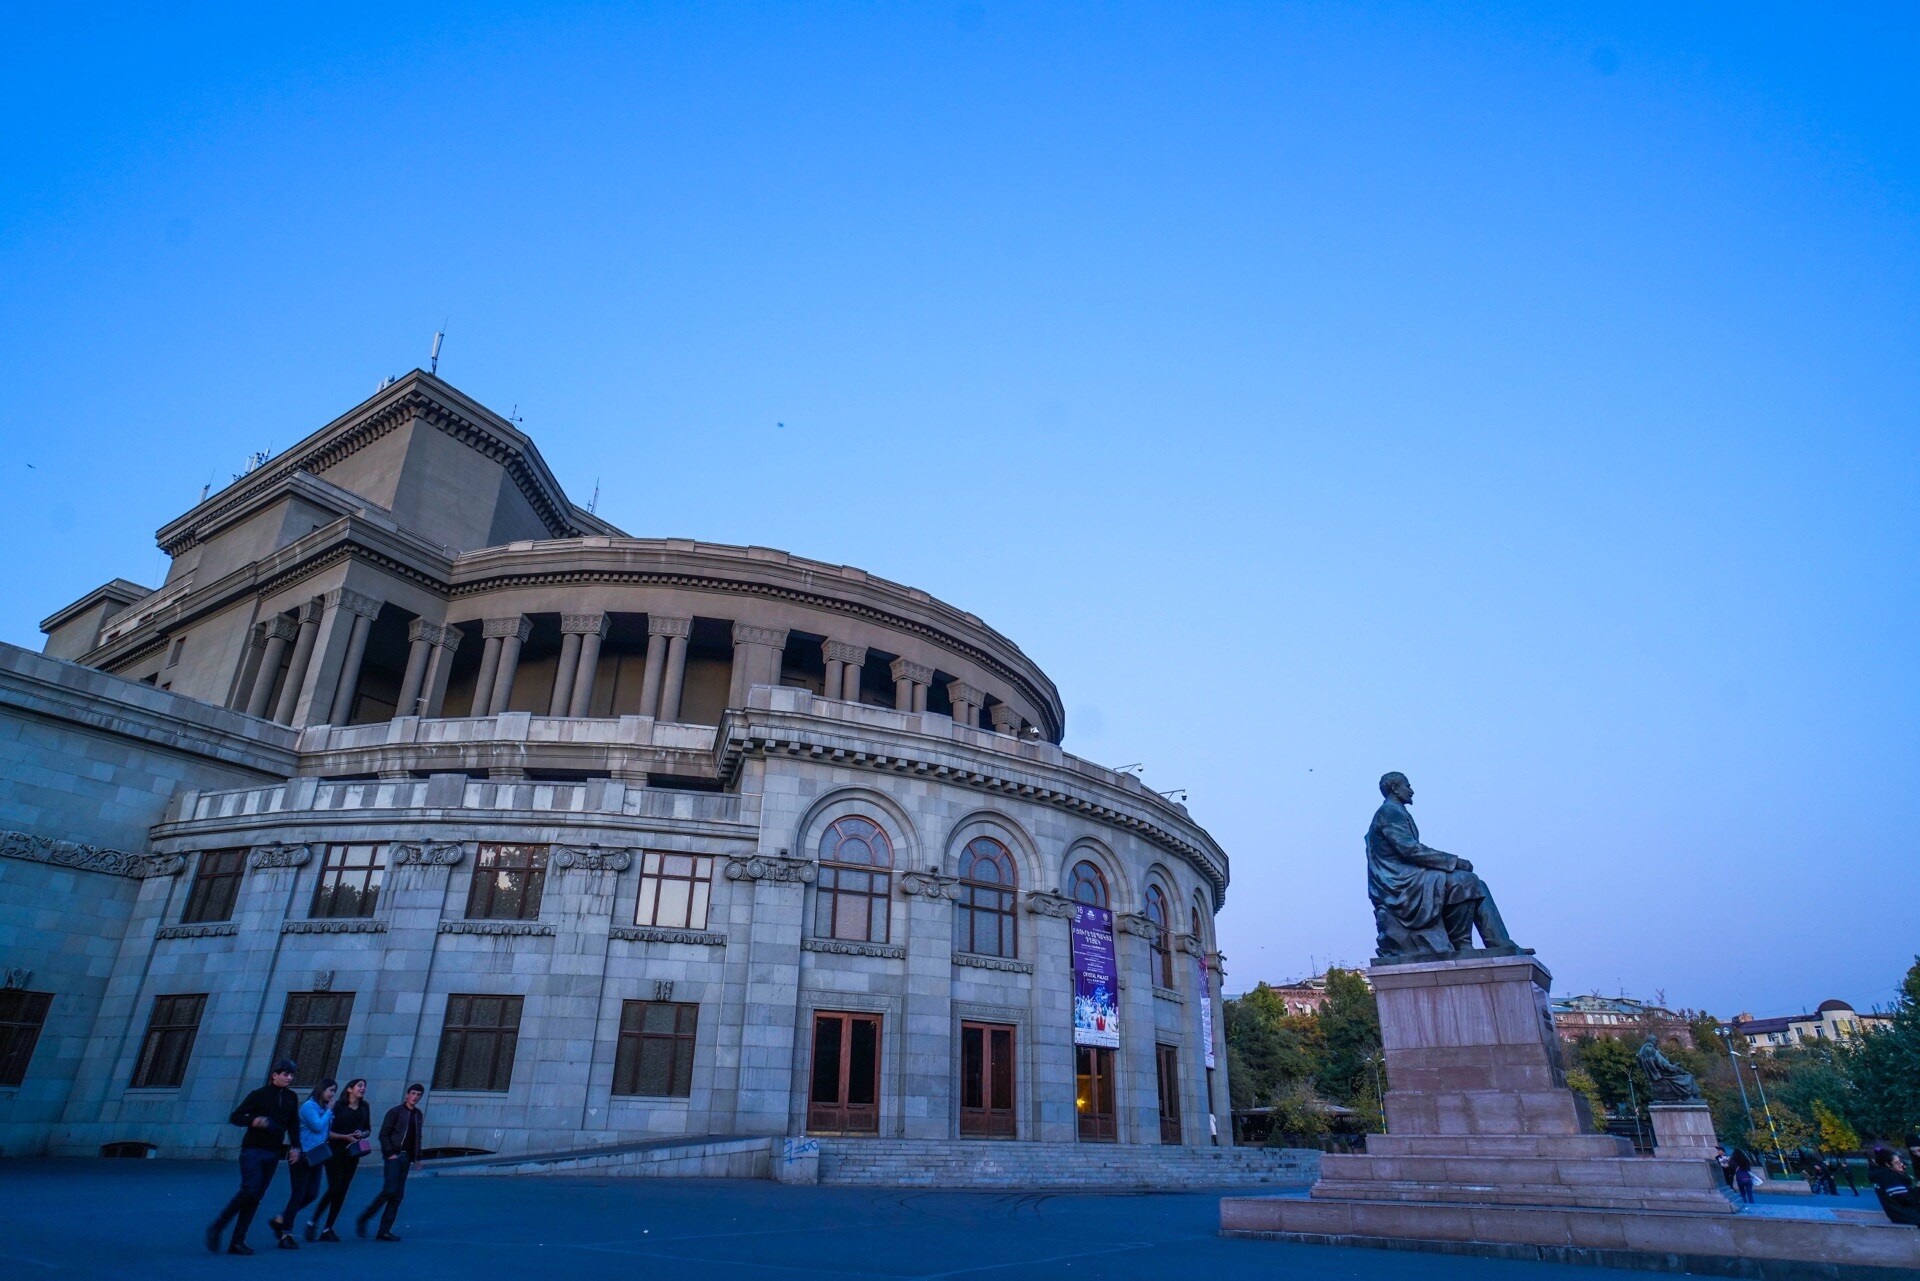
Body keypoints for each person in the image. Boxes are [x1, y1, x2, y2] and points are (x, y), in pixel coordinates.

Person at [1365, 772, 1519, 959]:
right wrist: (1453, 862)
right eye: (1408, 786)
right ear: (1395, 788)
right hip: (1398, 883)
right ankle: (1462, 943)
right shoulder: (1389, 812)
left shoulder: (1396, 811)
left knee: (1477, 884)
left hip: (1408, 875)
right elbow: (1410, 850)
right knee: (1465, 881)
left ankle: (1499, 943)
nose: (1411, 791)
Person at [205, 1058, 300, 1255]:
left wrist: (296, 1146)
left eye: (291, 1075)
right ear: (275, 1075)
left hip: (273, 1153)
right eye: (285, 1074)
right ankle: (218, 1226)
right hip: (253, 1150)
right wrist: (253, 1121)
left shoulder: (291, 1098)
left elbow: (293, 1124)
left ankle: (237, 1241)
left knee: (255, 1197)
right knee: (250, 1189)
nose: (289, 1078)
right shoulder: (259, 1095)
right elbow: (236, 1116)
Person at [268, 1079, 335, 1249]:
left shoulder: (322, 1108)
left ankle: (280, 1219)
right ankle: (286, 1234)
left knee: (312, 1193)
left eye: (334, 1091)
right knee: (298, 1194)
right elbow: (317, 1126)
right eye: (330, 1090)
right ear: (321, 1090)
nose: (332, 1094)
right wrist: (329, 1112)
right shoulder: (309, 1107)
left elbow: (325, 1131)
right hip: (301, 1155)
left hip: (316, 1156)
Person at [357, 1082, 426, 1242]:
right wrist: (389, 1153)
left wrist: (418, 1157)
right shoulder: (395, 1112)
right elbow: (384, 1134)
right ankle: (365, 1217)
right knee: (390, 1189)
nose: (415, 1097)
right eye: (413, 1093)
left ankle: (385, 1230)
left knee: (397, 1195)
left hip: (406, 1157)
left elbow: (417, 1136)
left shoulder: (418, 1115)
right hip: (394, 1156)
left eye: (418, 1095)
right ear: (407, 1094)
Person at [307, 1077, 373, 1241]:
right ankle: (312, 1221)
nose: (363, 1088)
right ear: (350, 1089)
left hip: (352, 1154)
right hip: (334, 1152)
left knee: (342, 1191)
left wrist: (362, 1134)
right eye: (359, 1085)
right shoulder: (337, 1106)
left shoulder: (365, 1107)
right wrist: (345, 1137)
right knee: (335, 1187)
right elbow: (325, 1131)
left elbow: (368, 1129)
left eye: (364, 1086)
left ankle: (328, 1228)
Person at [1868, 1146, 1920, 1227]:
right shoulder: (1889, 1178)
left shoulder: (1882, 1176)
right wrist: (1918, 1187)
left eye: (1900, 1162)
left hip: (1903, 1215)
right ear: (1887, 1164)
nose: (1901, 1165)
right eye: (1897, 1163)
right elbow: (1907, 1199)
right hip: (1908, 1216)